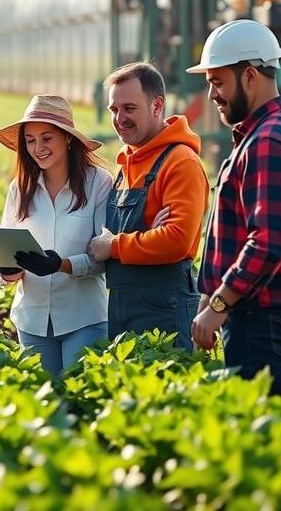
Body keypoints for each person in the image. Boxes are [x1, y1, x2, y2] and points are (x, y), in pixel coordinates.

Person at [186, 19, 281, 397]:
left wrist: (219, 302)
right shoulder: (265, 133)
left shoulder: (270, 141)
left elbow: (269, 242)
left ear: (249, 76)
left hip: (263, 316)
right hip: (259, 312)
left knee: (256, 432)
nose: (211, 93)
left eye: (217, 81)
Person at [88, 62, 209, 352]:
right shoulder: (125, 161)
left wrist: (115, 246)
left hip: (165, 308)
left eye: (129, 108)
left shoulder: (181, 162)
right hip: (120, 304)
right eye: (113, 110)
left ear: (157, 106)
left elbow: (176, 240)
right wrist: (147, 236)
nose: (119, 119)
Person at [0, 94, 113, 375]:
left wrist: (61, 264)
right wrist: (8, 272)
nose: (38, 148)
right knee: (44, 404)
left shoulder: (98, 183)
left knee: (78, 400)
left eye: (47, 138)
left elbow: (106, 256)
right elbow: (3, 255)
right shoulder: (20, 188)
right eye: (30, 140)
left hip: (83, 318)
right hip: (31, 320)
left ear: (68, 138)